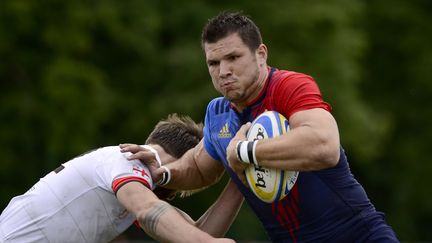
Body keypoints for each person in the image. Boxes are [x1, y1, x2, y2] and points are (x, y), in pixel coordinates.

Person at [121, 12, 399, 242]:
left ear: (261, 54)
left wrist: (244, 152)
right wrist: (161, 172)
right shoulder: (218, 113)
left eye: (233, 58)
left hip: (357, 236)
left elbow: (324, 146)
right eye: (213, 63)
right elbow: (197, 167)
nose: (223, 71)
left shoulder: (288, 86)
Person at [0, 114, 242, 243]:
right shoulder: (128, 160)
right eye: (181, 186)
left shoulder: (131, 177)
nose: (175, 193)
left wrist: (241, 181)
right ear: (183, 159)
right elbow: (148, 210)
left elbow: (195, 232)